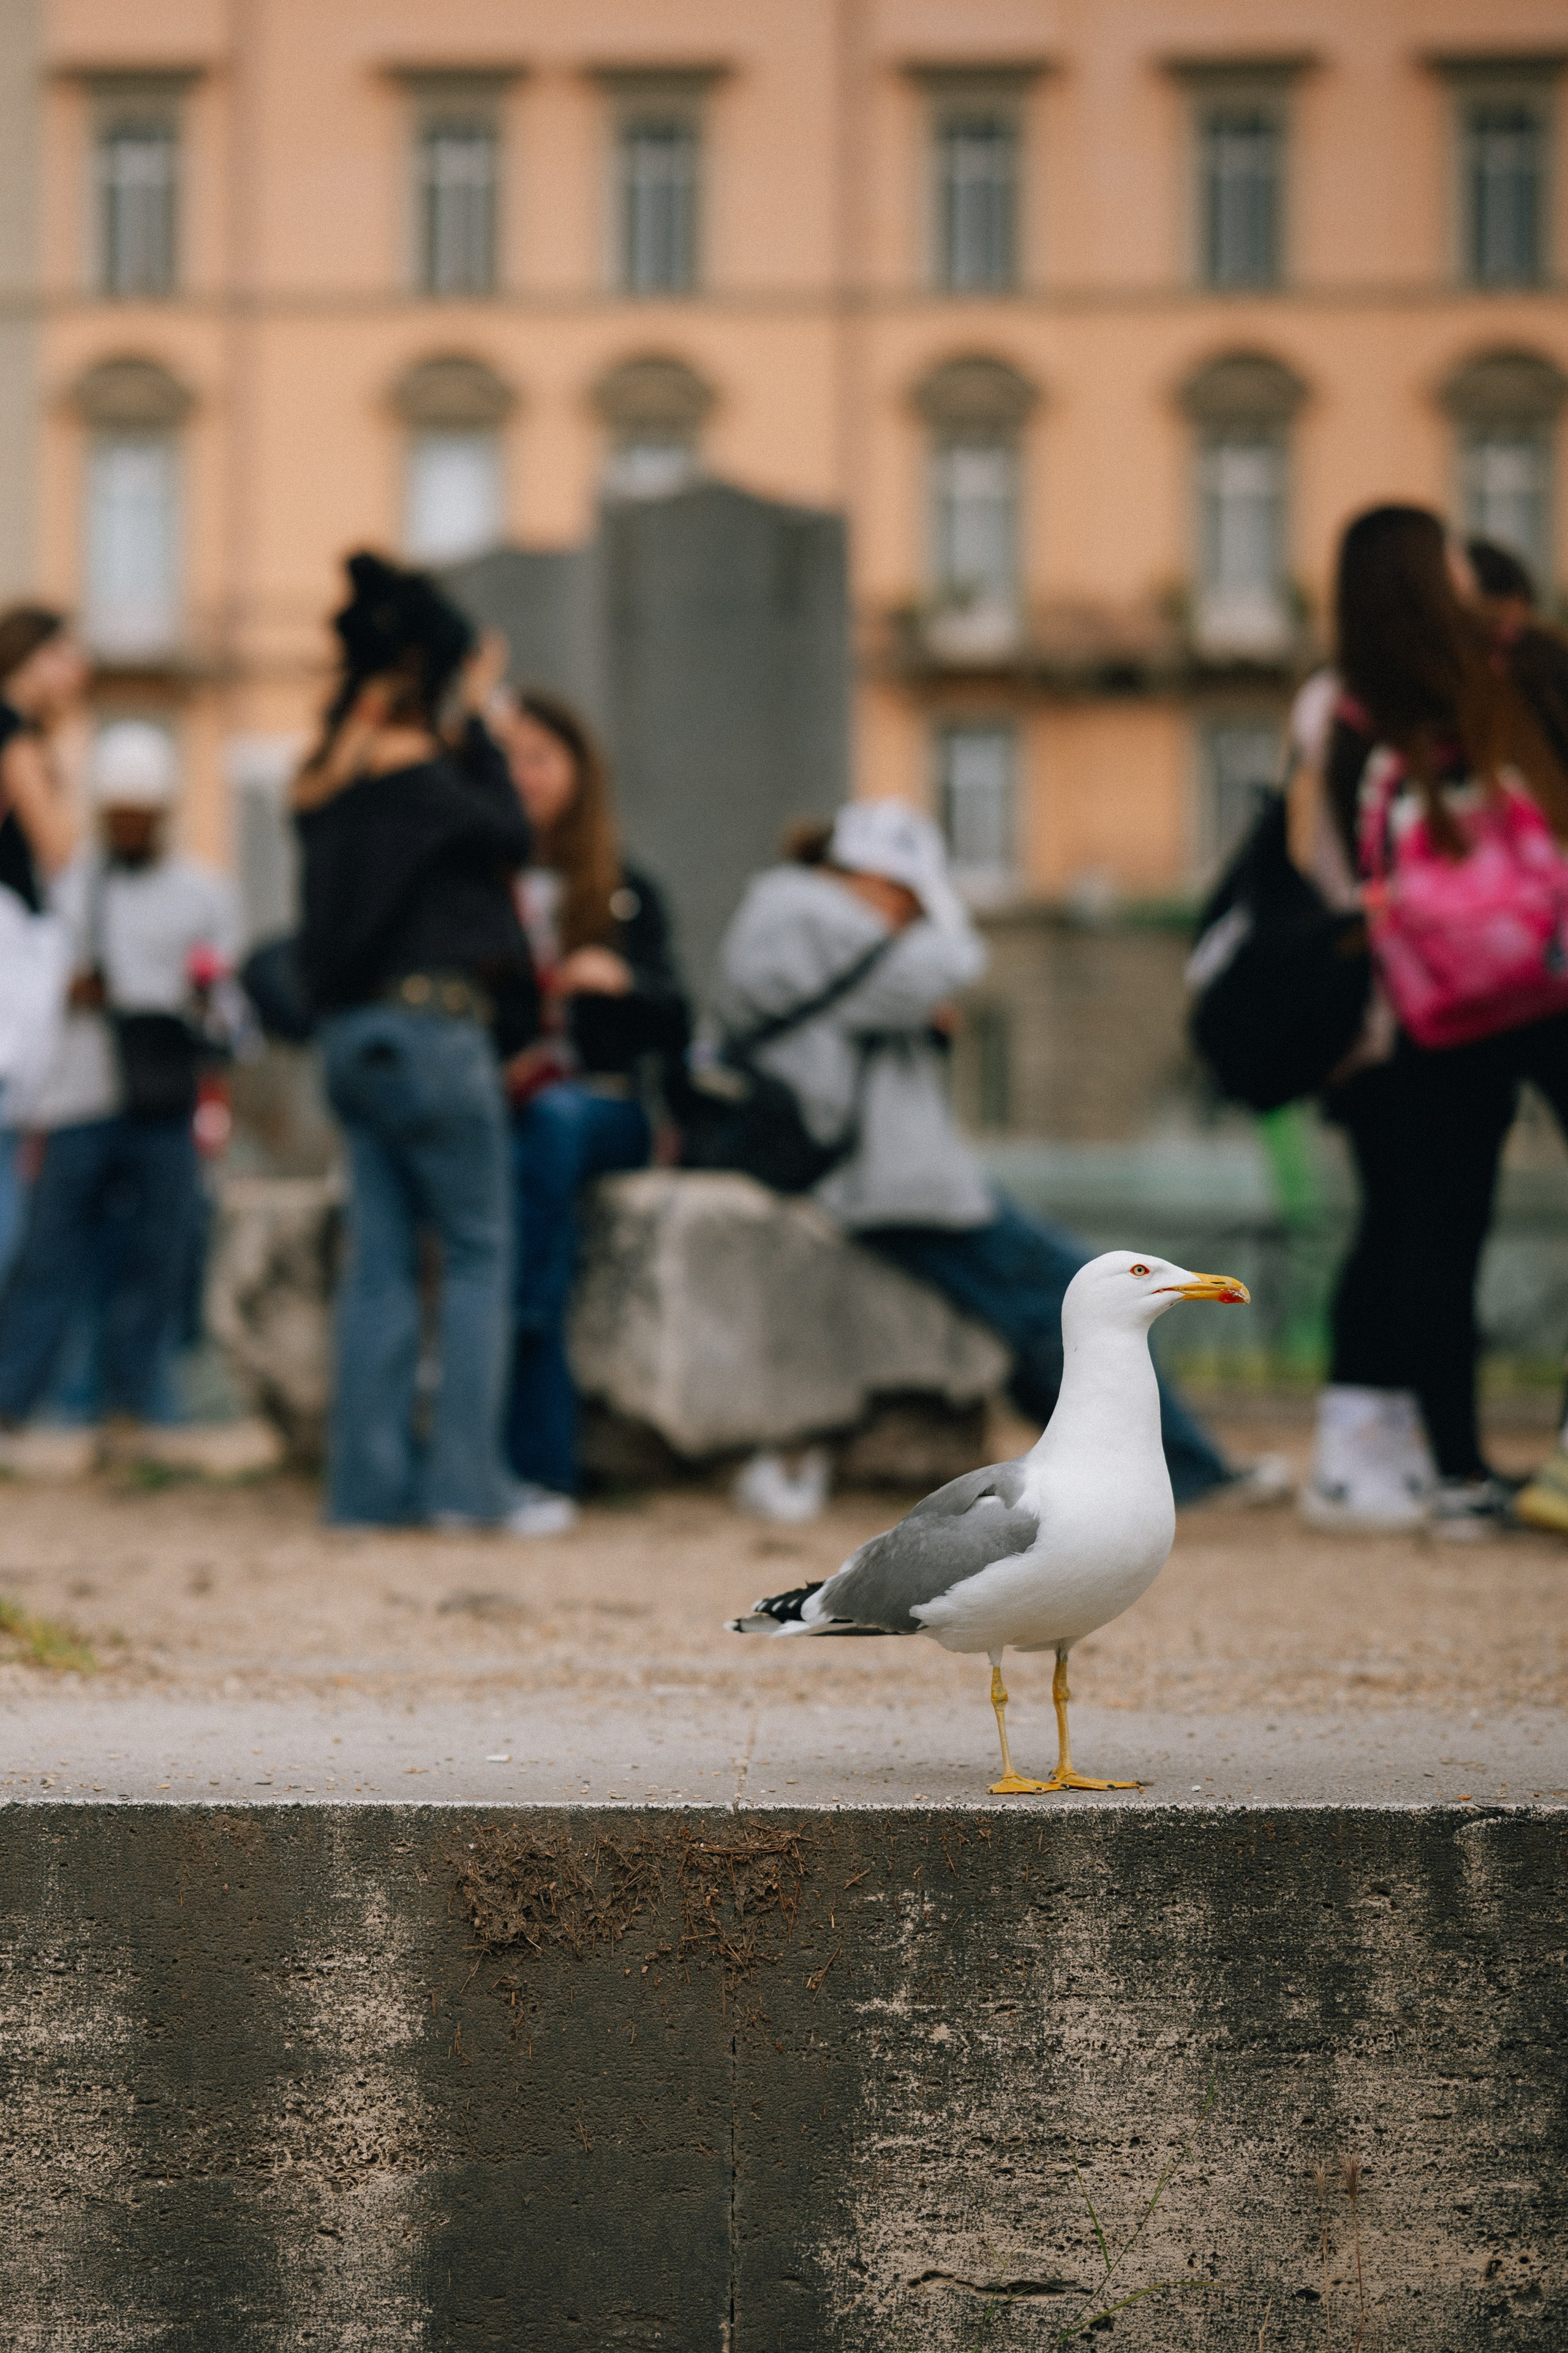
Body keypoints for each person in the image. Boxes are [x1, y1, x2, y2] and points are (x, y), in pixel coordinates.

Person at [714, 798, 1286, 1509]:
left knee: (1047, 1309)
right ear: (868, 878)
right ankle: (1183, 1473)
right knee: (1076, 1299)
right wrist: (944, 915)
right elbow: (951, 961)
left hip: (888, 1177)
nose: (909, 920)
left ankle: (1143, 1470)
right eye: (908, 899)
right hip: (883, 1184)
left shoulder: (806, 924)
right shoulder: (800, 912)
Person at [1293, 506, 1568, 1537]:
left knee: (1438, 1231)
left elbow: (1320, 860)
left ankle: (1457, 1474)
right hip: (1551, 964)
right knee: (1435, 1230)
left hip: (1431, 995)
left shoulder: (1352, 706)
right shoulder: (1522, 663)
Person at [293, 553, 535, 1531]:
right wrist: (476, 715)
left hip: (351, 1040)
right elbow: (514, 834)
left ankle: (364, 1495)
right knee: (478, 1254)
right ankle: (466, 1492)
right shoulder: (435, 785)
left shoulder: (325, 783)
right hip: (434, 1028)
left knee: (381, 1263)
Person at [0, 721, 239, 1464]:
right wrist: (67, 994)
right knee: (48, 1262)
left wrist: (185, 1002)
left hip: (162, 1103)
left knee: (157, 1259)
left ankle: (132, 1413)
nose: (128, 827)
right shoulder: (69, 888)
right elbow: (24, 984)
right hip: (75, 1101)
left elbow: (232, 1015)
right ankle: (11, 1407)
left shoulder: (206, 893)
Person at [491, 690, 688, 1525]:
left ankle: (533, 1452)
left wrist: (620, 982)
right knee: (538, 1173)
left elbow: (680, 1018)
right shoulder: (480, 884)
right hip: (511, 1112)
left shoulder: (620, 885)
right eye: (509, 756)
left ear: (578, 770)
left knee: (554, 1132)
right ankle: (541, 1464)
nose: (523, 774)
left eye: (541, 756)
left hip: (601, 1111)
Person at [0, 606, 86, 1275]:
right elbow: (59, 846)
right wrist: (71, 762)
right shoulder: (17, 738)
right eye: (67, 653)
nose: (78, 669)